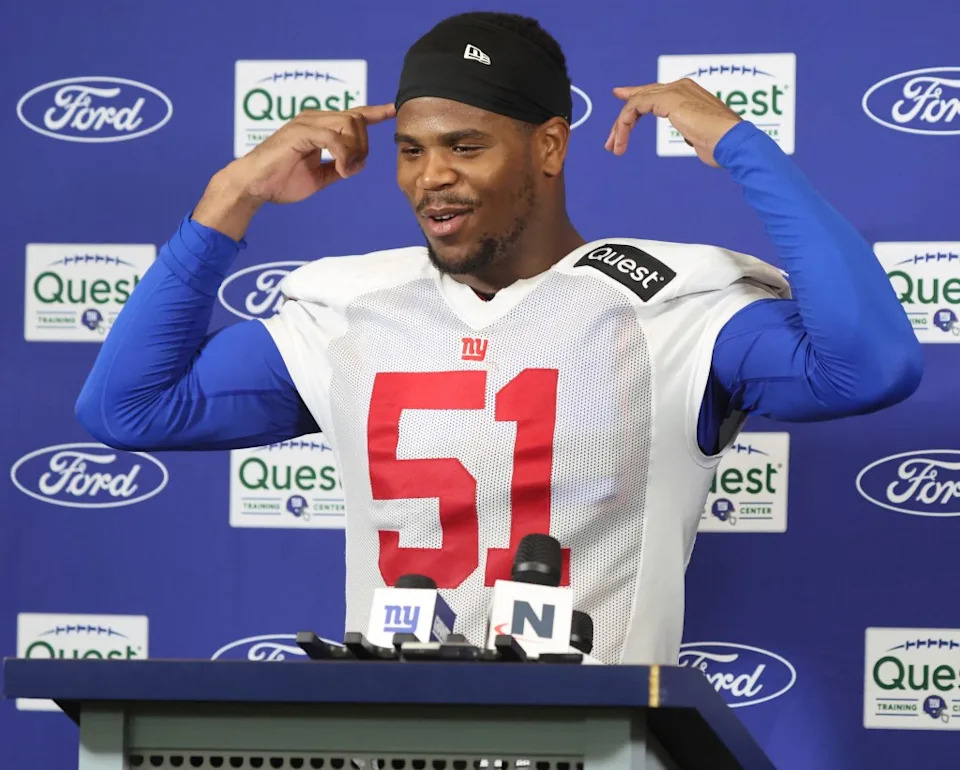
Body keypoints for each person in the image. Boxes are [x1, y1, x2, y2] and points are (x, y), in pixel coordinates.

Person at [75, 11, 922, 665]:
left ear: (549, 147)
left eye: (464, 146)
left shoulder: (667, 304)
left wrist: (746, 150)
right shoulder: (354, 308)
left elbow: (868, 368)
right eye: (410, 150)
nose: (430, 177)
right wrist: (232, 194)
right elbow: (132, 409)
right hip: (395, 741)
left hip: (595, 740)